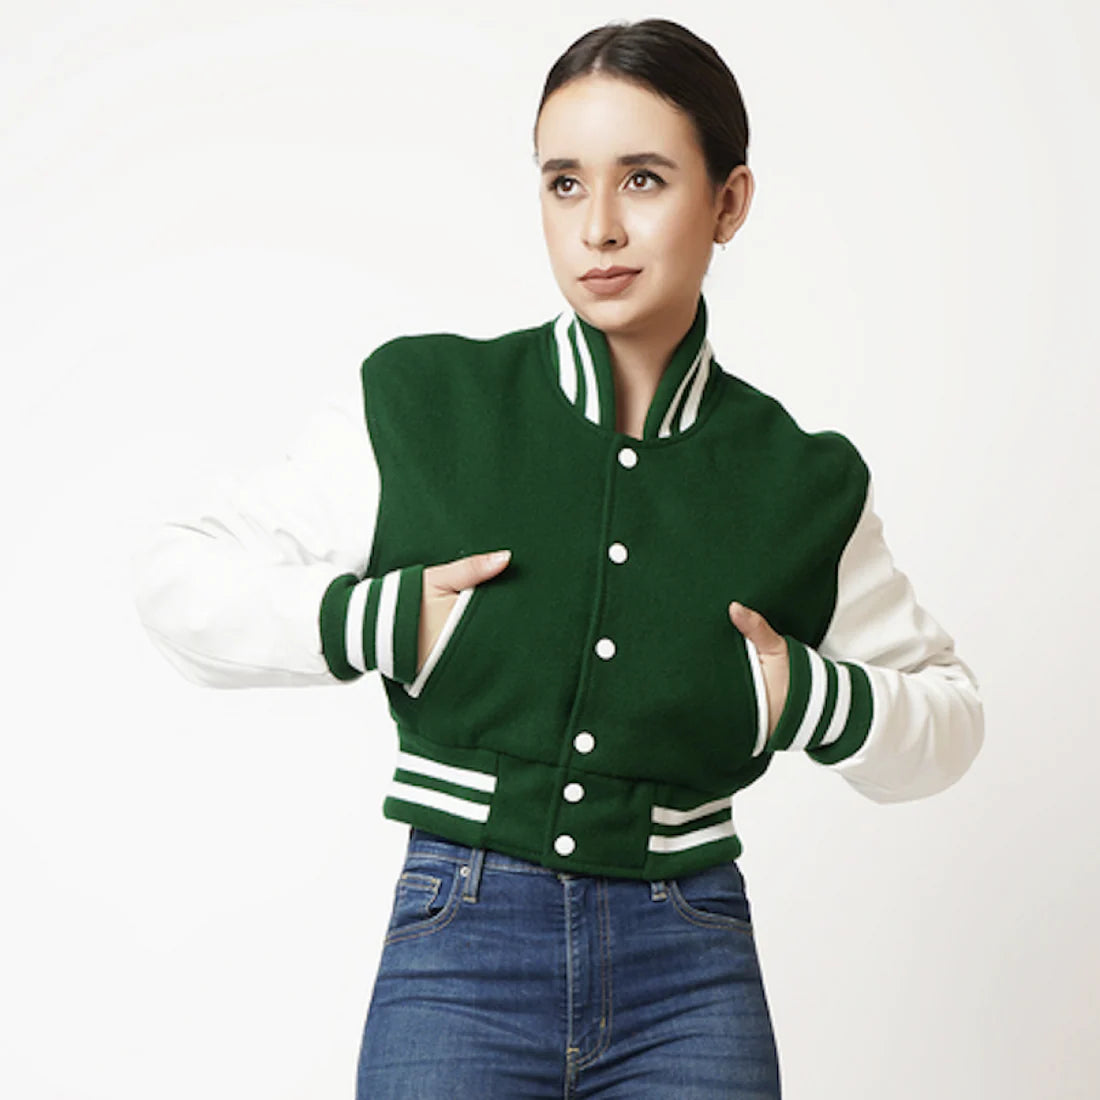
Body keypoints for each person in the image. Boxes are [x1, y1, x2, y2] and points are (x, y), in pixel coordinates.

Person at [129, 17, 984, 1099]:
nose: (601, 229)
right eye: (564, 185)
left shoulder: (799, 480)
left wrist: (802, 692)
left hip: (692, 960)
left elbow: (948, 714)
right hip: (458, 942)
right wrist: (381, 620)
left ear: (727, 202)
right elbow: (177, 577)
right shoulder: (423, 404)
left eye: (642, 179)